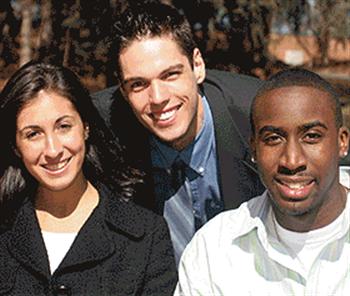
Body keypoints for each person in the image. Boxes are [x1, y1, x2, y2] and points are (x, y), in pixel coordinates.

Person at [92, 1, 264, 264]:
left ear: (197, 66)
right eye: (138, 84)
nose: (158, 98)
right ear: (123, 91)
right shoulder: (99, 124)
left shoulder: (258, 111)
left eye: (170, 75)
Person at [0, 61, 177, 295]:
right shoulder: (5, 228)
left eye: (63, 126)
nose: (52, 150)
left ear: (85, 127)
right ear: (15, 146)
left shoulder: (146, 236)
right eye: (33, 134)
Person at [175, 68, 350, 295]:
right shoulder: (214, 250)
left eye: (311, 136)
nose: (292, 160)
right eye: (273, 139)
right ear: (254, 148)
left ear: (342, 142)